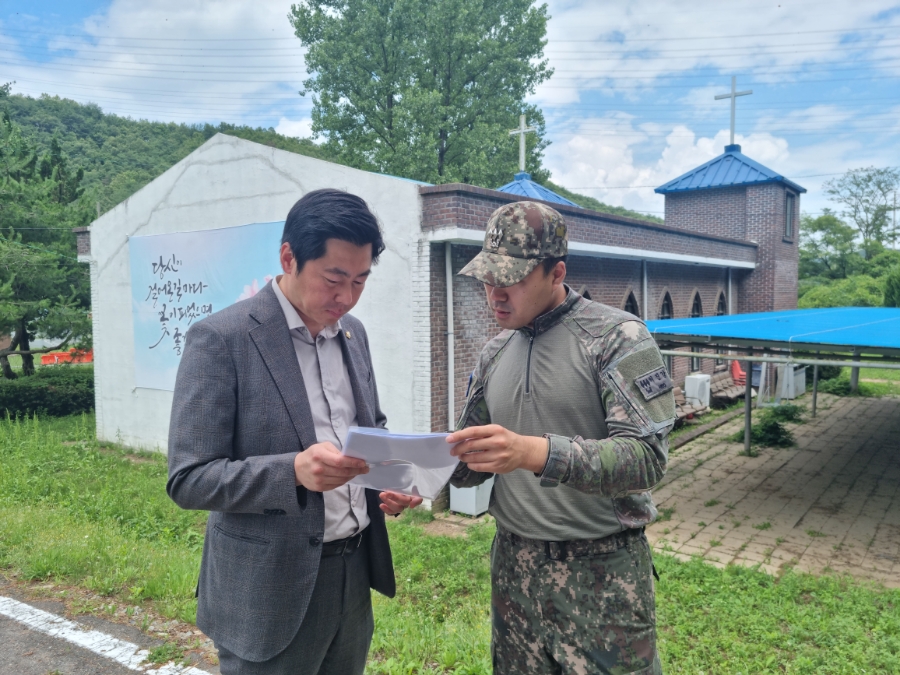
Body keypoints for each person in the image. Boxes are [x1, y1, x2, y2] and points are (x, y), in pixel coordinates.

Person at [167, 189, 421, 675]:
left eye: (361, 280)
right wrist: (294, 472)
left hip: (353, 569)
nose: (346, 296)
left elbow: (370, 428)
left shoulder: (353, 333)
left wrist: (391, 476)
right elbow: (189, 478)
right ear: (289, 257)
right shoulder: (222, 339)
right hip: (268, 587)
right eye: (334, 278)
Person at [447, 200, 675, 675]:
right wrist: (413, 475)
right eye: (489, 279)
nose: (495, 294)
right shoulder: (494, 352)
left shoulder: (617, 337)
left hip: (601, 575)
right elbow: (470, 458)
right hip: (514, 569)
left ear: (557, 272)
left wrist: (533, 452)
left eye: (511, 280)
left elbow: (646, 458)